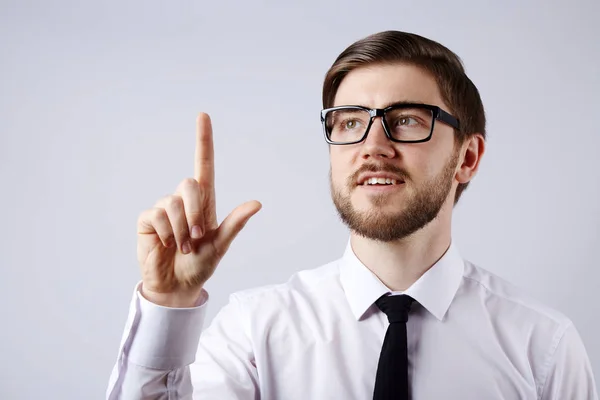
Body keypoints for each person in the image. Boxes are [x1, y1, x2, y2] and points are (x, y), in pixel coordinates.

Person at [106, 31, 598, 399]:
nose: (372, 146)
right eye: (350, 122)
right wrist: (167, 304)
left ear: (466, 158)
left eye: (406, 120)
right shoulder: (254, 333)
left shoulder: (543, 348)